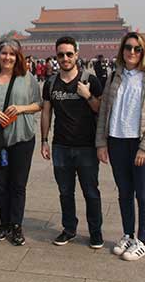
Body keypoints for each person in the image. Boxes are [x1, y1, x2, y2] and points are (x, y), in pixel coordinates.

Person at [95, 32, 145, 261]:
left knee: (143, 194)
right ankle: (128, 234)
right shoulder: (115, 77)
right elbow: (104, 110)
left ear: (143, 52)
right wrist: (101, 143)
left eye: (137, 49)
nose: (132, 52)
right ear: (122, 50)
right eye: (128, 48)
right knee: (124, 193)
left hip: (141, 143)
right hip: (117, 141)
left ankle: (143, 241)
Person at [40, 37, 104, 249]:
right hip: (61, 146)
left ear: (77, 55)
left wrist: (87, 96)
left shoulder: (90, 80)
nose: (65, 58)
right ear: (56, 57)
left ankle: (95, 232)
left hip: (86, 146)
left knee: (91, 191)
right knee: (65, 192)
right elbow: (46, 113)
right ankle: (69, 229)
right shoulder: (50, 83)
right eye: (61, 55)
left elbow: (100, 109)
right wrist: (44, 141)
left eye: (69, 54)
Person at [0, 39, 42, 246]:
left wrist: (21, 108)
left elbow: (38, 104)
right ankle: (4, 223)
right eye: (4, 53)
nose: (8, 57)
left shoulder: (27, 78)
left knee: (18, 185)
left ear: (18, 57)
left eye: (12, 54)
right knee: (2, 185)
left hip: (22, 138)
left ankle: (16, 225)